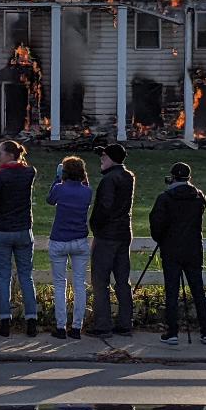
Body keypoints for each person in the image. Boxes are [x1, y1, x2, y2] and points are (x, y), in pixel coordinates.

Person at [149, 162, 206, 345]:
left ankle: (172, 332)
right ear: (188, 177)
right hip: (193, 249)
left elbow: (156, 224)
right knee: (198, 291)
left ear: (173, 177)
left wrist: (161, 238)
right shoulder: (198, 196)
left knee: (171, 291)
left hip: (171, 249)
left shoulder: (165, 198)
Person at [0, 139, 39, 337]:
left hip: (3, 230)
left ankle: (4, 321)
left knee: (3, 276)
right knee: (26, 275)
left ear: (9, 154)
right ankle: (31, 320)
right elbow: (26, 167)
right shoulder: (29, 173)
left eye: (0, 152)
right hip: (24, 229)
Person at [87, 143, 135, 338]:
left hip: (107, 235)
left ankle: (103, 324)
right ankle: (125, 322)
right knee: (123, 281)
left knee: (100, 281)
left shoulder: (109, 180)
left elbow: (104, 207)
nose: (101, 159)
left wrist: (95, 226)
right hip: (124, 232)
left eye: (104, 157)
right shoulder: (128, 177)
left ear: (112, 159)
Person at [47, 156, 92, 340]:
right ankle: (76, 327)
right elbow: (86, 186)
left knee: (60, 285)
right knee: (79, 284)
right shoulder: (87, 192)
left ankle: (60, 326)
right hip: (80, 240)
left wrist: (57, 178)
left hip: (59, 239)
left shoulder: (60, 189)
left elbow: (50, 199)